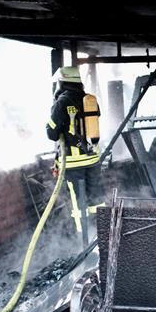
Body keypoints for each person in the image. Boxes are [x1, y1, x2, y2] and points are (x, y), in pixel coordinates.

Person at [46, 66, 105, 245]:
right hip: (93, 158)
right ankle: (102, 236)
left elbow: (52, 133)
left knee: (79, 205)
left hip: (74, 162)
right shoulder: (89, 99)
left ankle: (84, 244)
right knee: (96, 200)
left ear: (62, 82)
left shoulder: (62, 102)